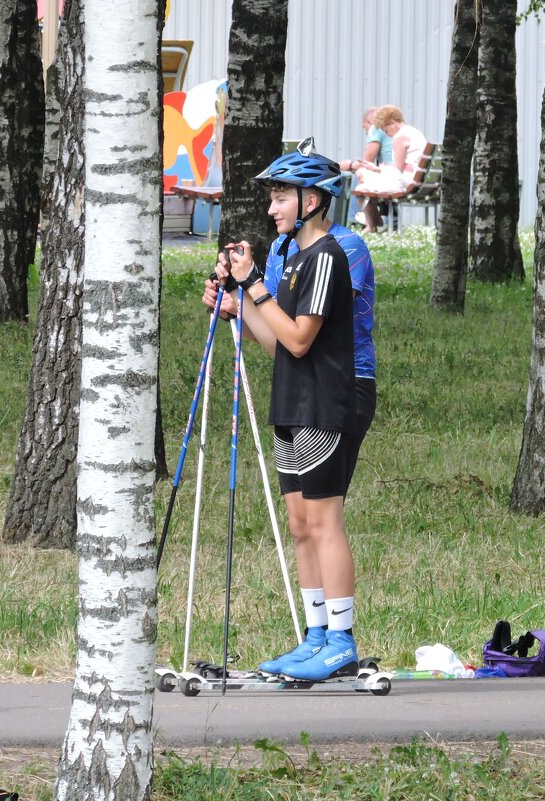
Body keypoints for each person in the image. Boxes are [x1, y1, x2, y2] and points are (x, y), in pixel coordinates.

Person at [203, 141, 365, 682]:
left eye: (280, 198)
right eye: (272, 198)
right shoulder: (292, 262)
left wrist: (253, 285)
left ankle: (341, 639)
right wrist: (237, 303)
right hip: (292, 401)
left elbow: (299, 341)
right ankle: (314, 634)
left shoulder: (326, 258)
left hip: (325, 402)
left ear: (313, 200)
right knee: (299, 524)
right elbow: (275, 344)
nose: (272, 209)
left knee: (323, 520)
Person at [352, 104, 427, 232]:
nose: (388, 134)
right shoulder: (415, 132)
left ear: (392, 122)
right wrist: (377, 169)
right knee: (366, 177)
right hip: (417, 179)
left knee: (361, 181)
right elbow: (403, 165)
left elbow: (397, 170)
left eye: (386, 130)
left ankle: (371, 225)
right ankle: (374, 222)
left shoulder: (399, 137)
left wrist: (377, 170)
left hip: (405, 182)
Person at [338, 107, 394, 174]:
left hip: (393, 176)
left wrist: (349, 165)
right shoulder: (396, 129)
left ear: (368, 121)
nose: (363, 126)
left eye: (363, 123)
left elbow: (366, 165)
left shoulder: (375, 128)